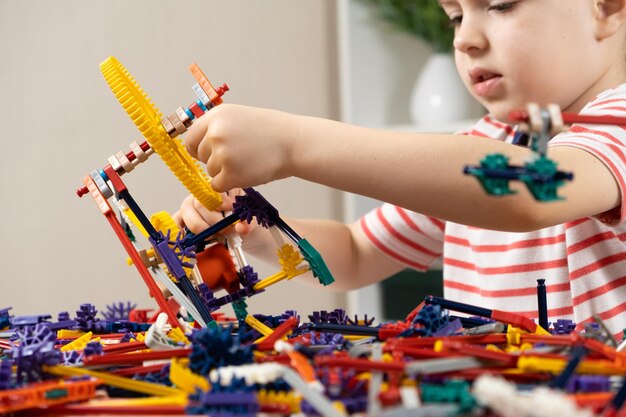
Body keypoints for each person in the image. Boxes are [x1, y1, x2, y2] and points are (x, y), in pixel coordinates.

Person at [174, 0, 626, 336]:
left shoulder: (618, 125)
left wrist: (294, 143)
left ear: (605, 7)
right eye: (456, 16)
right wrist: (256, 229)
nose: (464, 38)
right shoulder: (487, 144)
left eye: (499, 5)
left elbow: (530, 192)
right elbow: (354, 254)